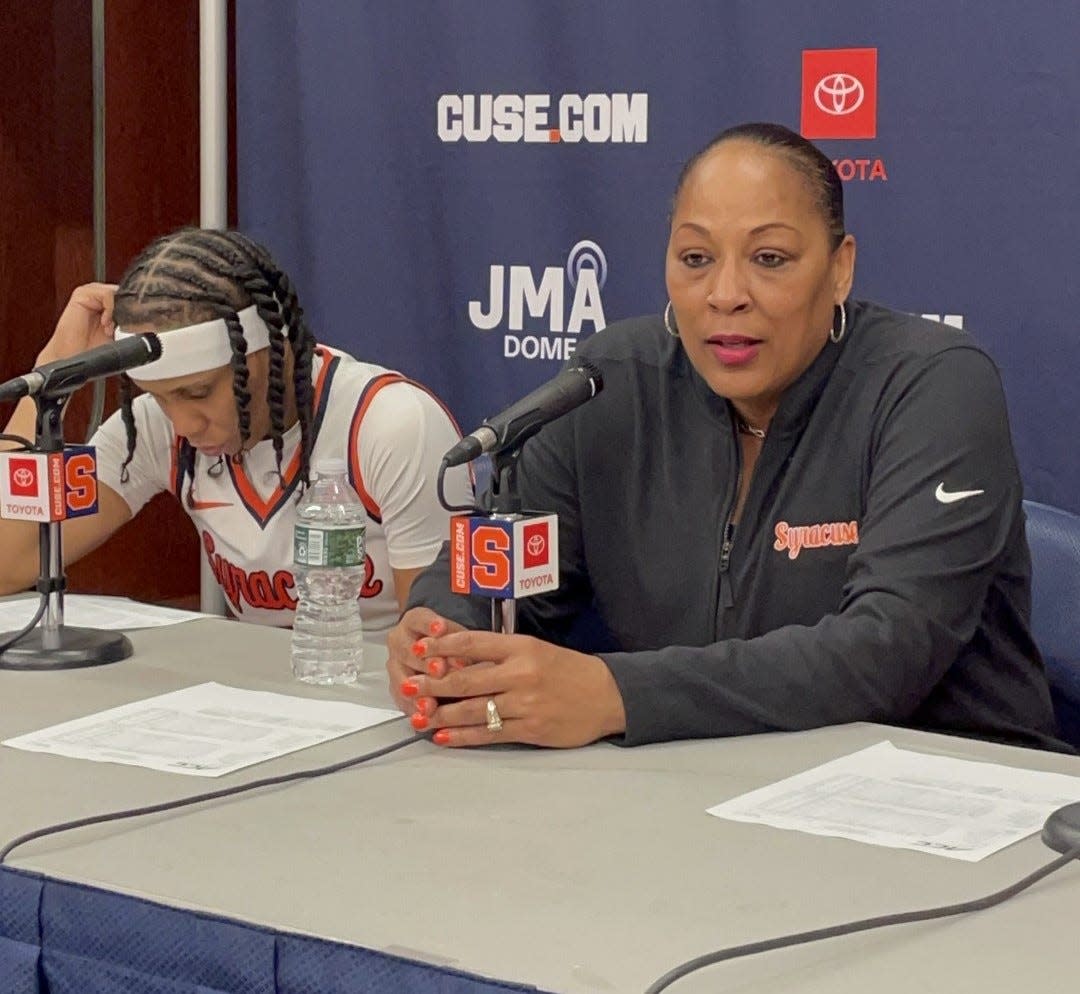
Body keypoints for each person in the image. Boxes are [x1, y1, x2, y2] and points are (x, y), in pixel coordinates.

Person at [386, 121, 1064, 752]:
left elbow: (887, 652)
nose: (726, 293)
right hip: (699, 786)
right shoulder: (610, 383)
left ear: (839, 267)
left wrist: (617, 695)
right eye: (696, 257)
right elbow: (501, 573)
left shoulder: (932, 384)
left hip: (947, 791)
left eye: (769, 257)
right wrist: (444, 630)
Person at [0, 228, 471, 638]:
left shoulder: (392, 425)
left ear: (271, 349)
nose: (183, 423)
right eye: (160, 396)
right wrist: (50, 377)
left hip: (379, 705)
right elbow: (6, 564)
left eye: (199, 392)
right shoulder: (156, 424)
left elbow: (435, 644)